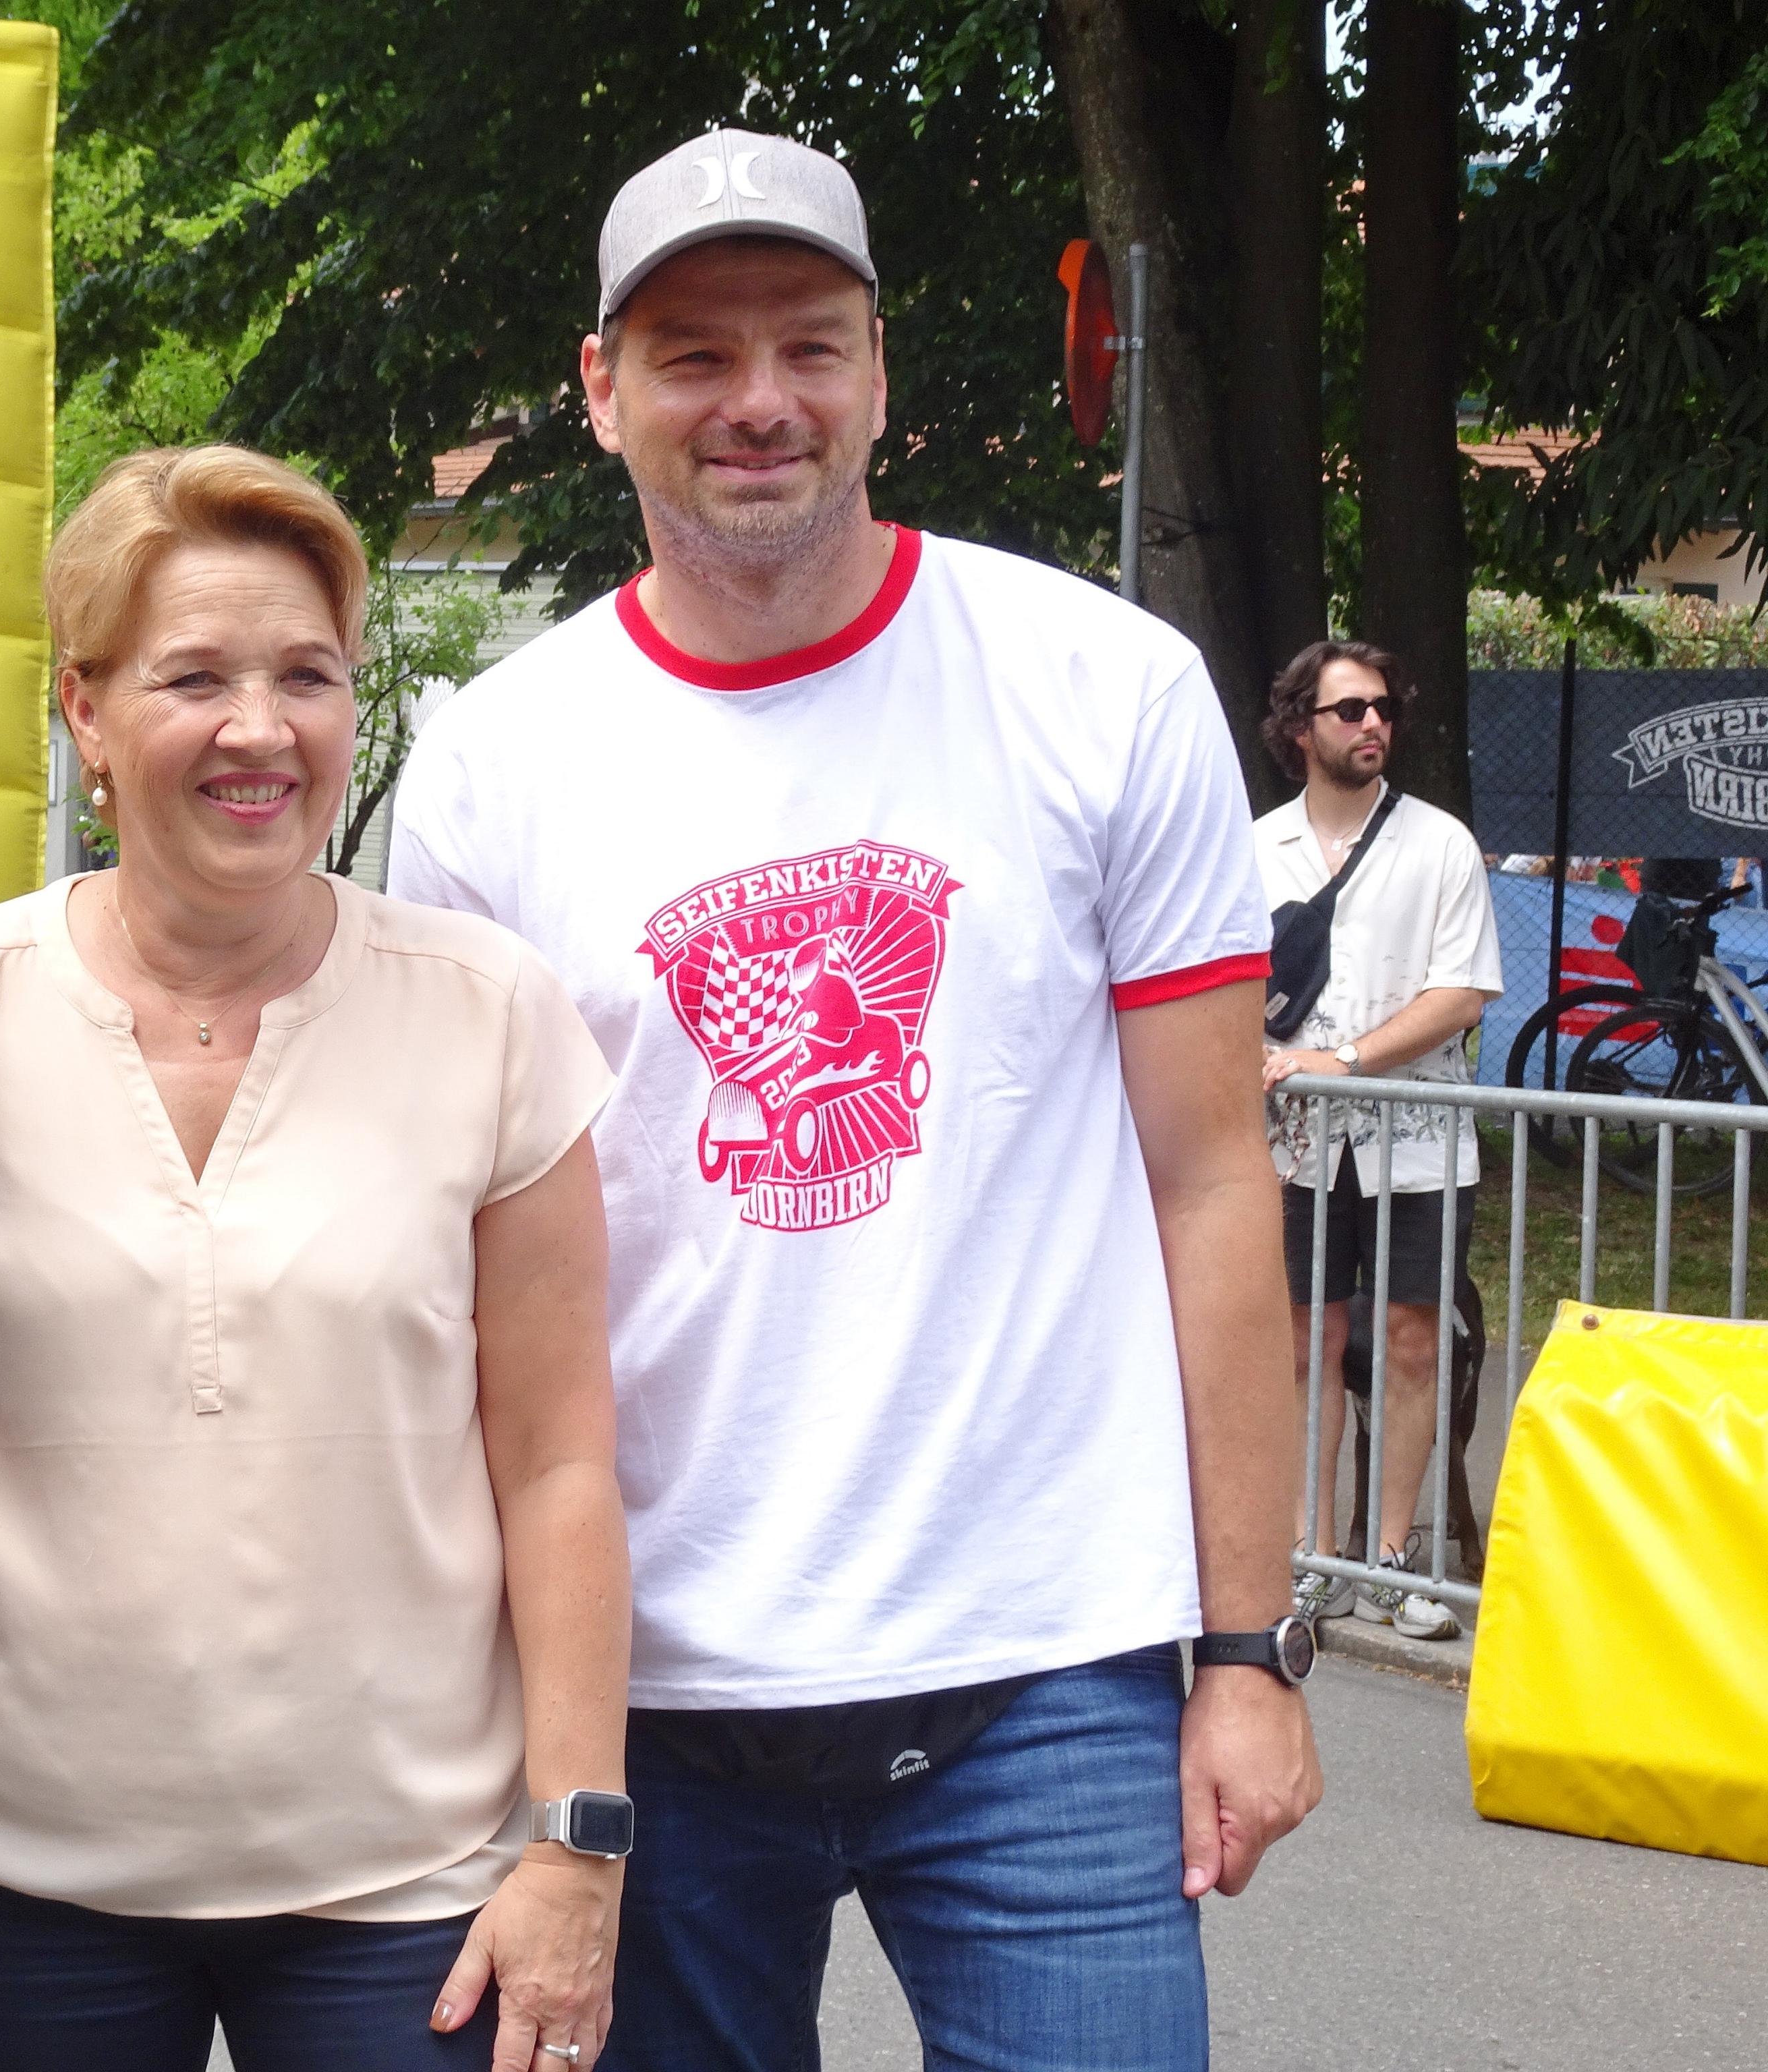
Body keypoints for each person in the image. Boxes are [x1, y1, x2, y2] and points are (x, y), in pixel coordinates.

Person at [389, 129, 1320, 2071]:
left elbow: (1211, 1181)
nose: (760, 402)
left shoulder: (1104, 685)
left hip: (1045, 1668)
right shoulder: (493, 763)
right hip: (647, 1691)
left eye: (809, 346)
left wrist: (1246, 1651)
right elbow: (465, 1271)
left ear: (880, 372)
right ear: (600, 391)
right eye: (695, 355)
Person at [0, 444, 633, 2072]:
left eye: (306, 677)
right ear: (85, 711)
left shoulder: (488, 1013)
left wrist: (575, 1844)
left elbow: (556, 1462)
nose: (260, 729)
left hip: (408, 1895)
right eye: (194, 678)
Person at [1257, 641, 1505, 1643]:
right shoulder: (1255, 847)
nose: (1374, 724)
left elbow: (1464, 991)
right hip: (1298, 1145)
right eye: (1351, 709)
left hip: (1421, 1139)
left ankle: (1395, 1555)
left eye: (1385, 709)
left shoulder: (1441, 844)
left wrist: (1346, 1058)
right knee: (1304, 1340)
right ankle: (1314, 1555)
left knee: (1412, 1338)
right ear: (1300, 727)